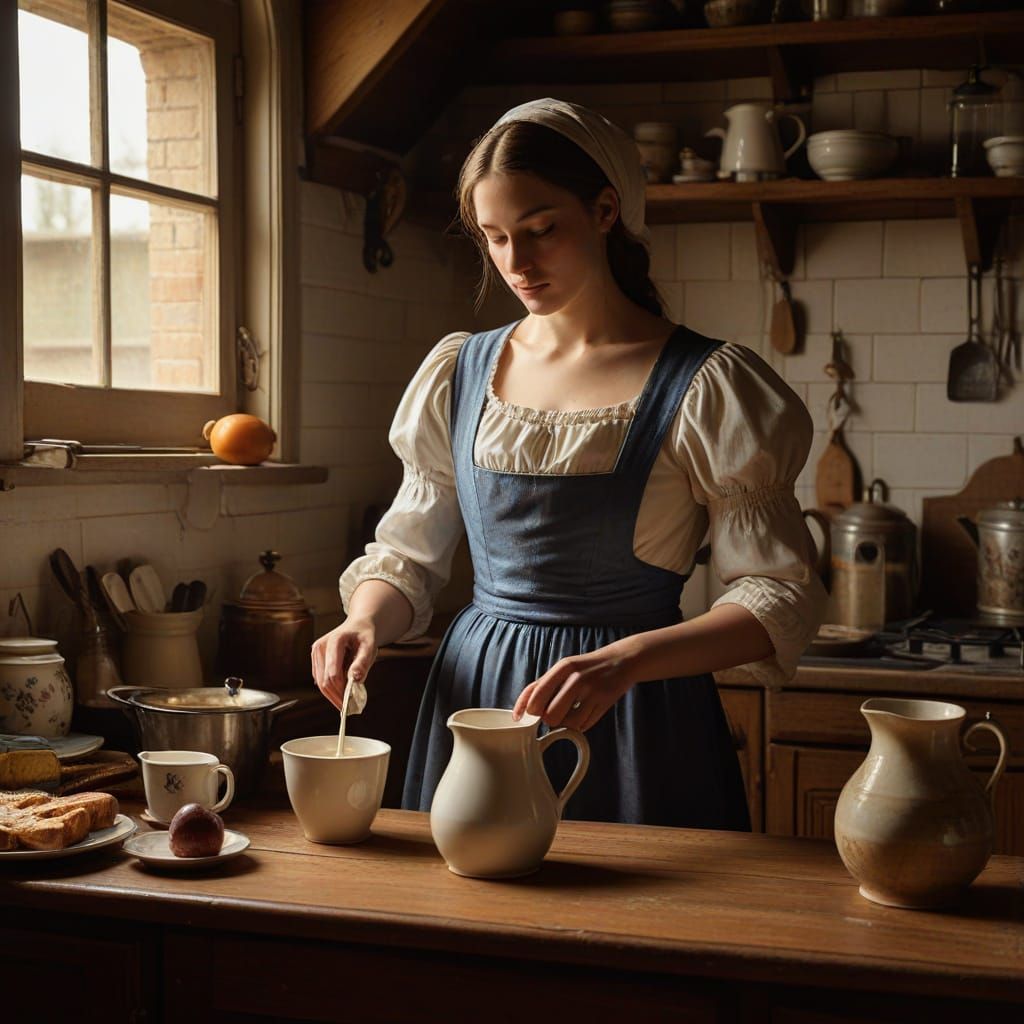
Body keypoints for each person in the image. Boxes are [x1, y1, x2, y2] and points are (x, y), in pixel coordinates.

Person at [312, 98, 826, 830]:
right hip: (477, 702)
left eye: (541, 230)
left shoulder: (706, 385)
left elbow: (779, 599)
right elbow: (409, 558)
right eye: (494, 239)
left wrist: (628, 661)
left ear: (606, 210)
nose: (517, 263)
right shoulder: (459, 373)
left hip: (636, 714)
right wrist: (365, 621)